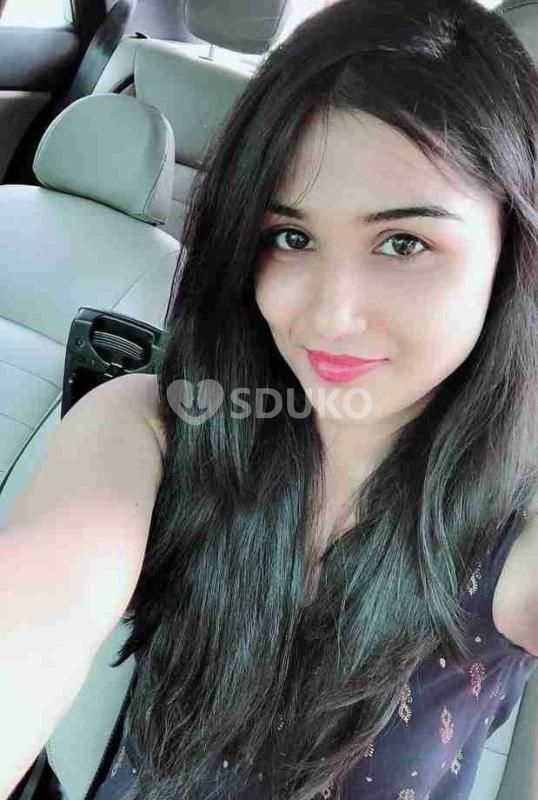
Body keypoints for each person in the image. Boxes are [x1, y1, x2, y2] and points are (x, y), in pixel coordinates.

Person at [92, 1, 538, 799]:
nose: (330, 316)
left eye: (403, 243)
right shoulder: (158, 425)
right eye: (290, 237)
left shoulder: (514, 542)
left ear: (509, 256)